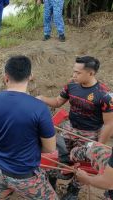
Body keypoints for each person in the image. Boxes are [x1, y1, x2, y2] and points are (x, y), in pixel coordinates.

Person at [37, 56, 113, 199]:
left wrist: (98, 145)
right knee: (54, 153)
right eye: (74, 71)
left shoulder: (104, 95)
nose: (74, 75)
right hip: (69, 128)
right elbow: (58, 101)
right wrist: (42, 98)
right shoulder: (71, 85)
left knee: (83, 164)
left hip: (89, 134)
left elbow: (109, 123)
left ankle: (73, 190)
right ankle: (51, 181)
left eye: (78, 73)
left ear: (91, 73)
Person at [0, 55, 57, 199]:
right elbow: (50, 148)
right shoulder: (40, 108)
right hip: (25, 176)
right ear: (30, 76)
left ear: (6, 77)